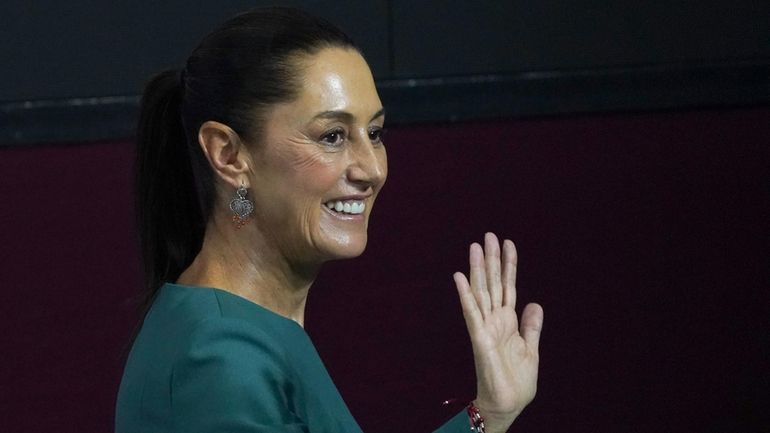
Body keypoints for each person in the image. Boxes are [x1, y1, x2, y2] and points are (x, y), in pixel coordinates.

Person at [115, 7, 544, 433]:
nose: (371, 169)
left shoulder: (235, 331)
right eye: (332, 136)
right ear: (228, 154)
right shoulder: (221, 358)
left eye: (374, 134)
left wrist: (489, 414)